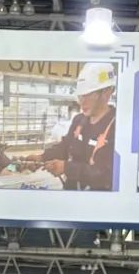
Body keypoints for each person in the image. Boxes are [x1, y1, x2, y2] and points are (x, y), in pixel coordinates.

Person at [41, 63, 116, 192]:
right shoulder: (79, 121)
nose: (82, 102)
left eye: (88, 95)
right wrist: (41, 157)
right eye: (80, 96)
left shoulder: (117, 126)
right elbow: (66, 146)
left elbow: (106, 174)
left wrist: (66, 168)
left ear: (106, 93)